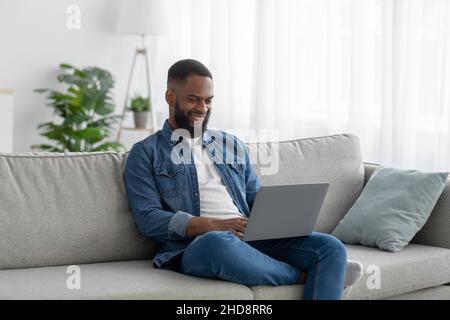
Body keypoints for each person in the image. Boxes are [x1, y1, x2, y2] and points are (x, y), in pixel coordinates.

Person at [124, 59, 363, 300]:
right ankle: (301, 275)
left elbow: (254, 196)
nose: (203, 108)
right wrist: (212, 224)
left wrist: (279, 217)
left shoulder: (230, 144)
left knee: (330, 247)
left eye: (208, 101)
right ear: (170, 96)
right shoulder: (145, 153)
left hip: (249, 237)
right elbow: (149, 219)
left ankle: (316, 268)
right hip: (197, 246)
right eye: (194, 99)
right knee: (217, 243)